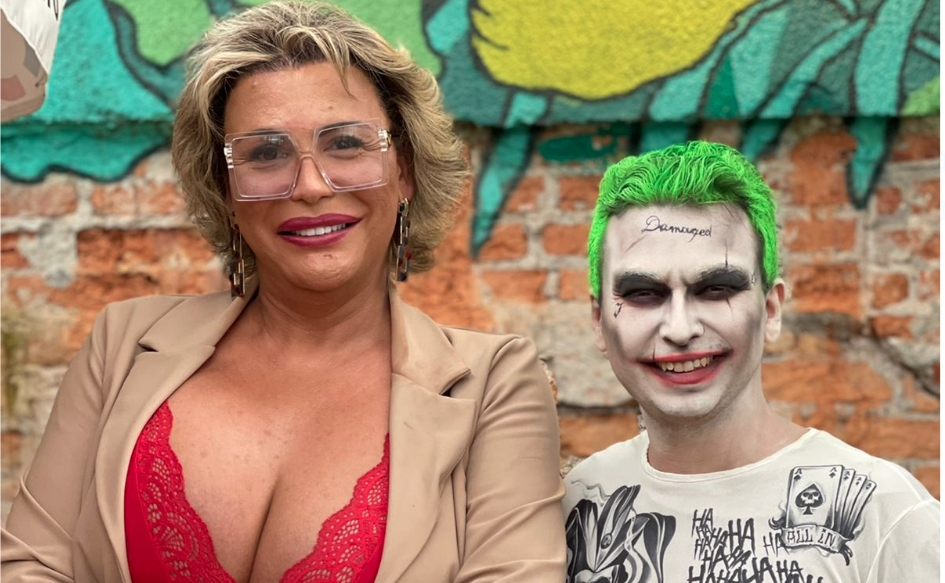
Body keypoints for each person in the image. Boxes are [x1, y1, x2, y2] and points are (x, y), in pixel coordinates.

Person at [1, 2, 565, 581]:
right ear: (224, 189)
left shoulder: (492, 386)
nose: (311, 186)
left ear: (405, 170)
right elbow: (29, 565)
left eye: (346, 143)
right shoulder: (121, 346)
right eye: (266, 153)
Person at [562, 141, 939, 582]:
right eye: (644, 293)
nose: (680, 329)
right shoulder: (575, 504)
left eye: (716, 289)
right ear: (599, 320)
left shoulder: (883, 514)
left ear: (771, 310)